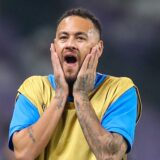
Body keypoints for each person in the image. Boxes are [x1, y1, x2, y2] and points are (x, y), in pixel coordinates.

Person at [8, 8, 142, 160]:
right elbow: (23, 154)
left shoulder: (120, 90)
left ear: (99, 48)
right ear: (54, 47)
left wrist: (80, 95)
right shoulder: (34, 88)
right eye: (63, 38)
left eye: (80, 38)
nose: (70, 44)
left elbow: (110, 156)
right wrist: (60, 96)